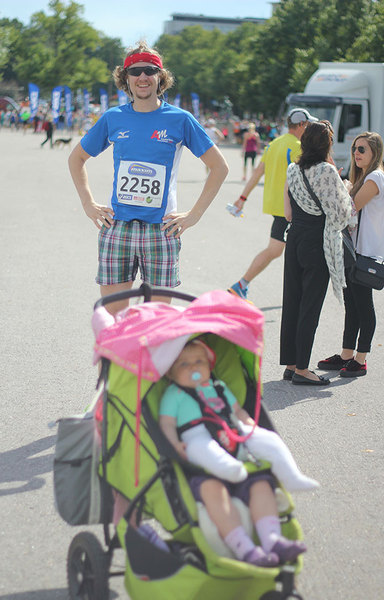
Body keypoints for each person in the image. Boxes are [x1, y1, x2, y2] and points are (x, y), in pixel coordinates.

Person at [69, 41, 228, 314]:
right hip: (117, 227)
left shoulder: (180, 119)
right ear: (126, 79)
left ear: (160, 77)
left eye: (150, 70)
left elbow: (219, 167)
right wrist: (88, 203)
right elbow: (76, 158)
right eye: (135, 71)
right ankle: (116, 359)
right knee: (113, 319)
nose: (142, 77)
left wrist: (194, 215)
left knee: (154, 323)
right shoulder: (113, 118)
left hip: (161, 229)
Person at [159, 340, 309, 567]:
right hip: (203, 463)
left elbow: (238, 411)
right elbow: (167, 423)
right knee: (213, 489)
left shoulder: (218, 387)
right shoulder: (174, 394)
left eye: (199, 361)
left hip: (235, 450)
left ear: (210, 365)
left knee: (261, 484)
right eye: (184, 364)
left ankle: (273, 540)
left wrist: (250, 428)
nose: (193, 367)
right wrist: (173, 444)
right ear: (170, 374)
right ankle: (245, 548)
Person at [280, 121, 353, 385]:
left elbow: (288, 212)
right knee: (310, 305)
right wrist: (343, 186)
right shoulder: (327, 171)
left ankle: (290, 364)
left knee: (293, 302)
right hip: (316, 241)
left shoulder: (293, 169)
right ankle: (302, 369)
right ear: (327, 145)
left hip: (295, 236)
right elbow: (343, 215)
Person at [228, 108, 318, 299]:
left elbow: (258, 172)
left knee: (279, 250)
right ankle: (242, 284)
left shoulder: (274, 143)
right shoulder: (298, 147)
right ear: (301, 125)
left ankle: (242, 284)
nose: (309, 128)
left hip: (278, 207)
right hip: (292, 209)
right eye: (308, 124)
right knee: (281, 250)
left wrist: (243, 198)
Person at [317, 132, 384, 378]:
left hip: (366, 253)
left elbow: (350, 208)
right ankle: (346, 355)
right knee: (352, 306)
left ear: (375, 152)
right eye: (355, 148)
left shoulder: (376, 177)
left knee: (363, 306)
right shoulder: (364, 178)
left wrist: (344, 186)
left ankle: (361, 359)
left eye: (362, 149)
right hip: (352, 251)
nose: (356, 152)